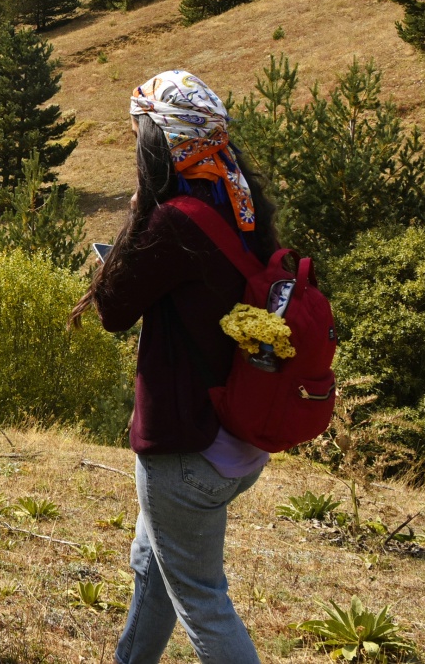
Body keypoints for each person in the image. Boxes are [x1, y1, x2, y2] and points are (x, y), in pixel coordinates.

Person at [74, 71, 280, 664]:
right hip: (234, 442)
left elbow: (112, 310)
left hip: (186, 452)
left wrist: (138, 216)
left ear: (160, 142)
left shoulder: (173, 220)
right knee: (153, 563)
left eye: (138, 134)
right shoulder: (241, 209)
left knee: (202, 600)